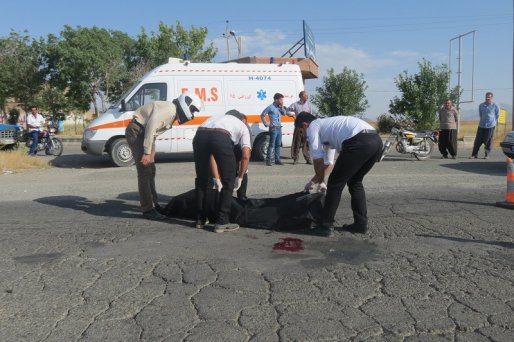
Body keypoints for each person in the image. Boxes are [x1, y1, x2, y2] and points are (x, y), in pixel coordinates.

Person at [295, 113, 383, 237]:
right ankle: (361, 224)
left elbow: (318, 160)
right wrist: (314, 182)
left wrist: (322, 182)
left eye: (301, 131)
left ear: (305, 125)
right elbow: (328, 163)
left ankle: (325, 226)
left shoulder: (313, 126)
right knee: (355, 182)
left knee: (335, 184)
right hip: (376, 141)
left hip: (358, 141)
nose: (303, 135)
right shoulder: (328, 129)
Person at [125, 93, 203, 221]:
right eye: (193, 110)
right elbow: (151, 127)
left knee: (151, 170)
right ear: (186, 104)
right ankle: (148, 209)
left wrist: (151, 150)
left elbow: (152, 131)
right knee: (144, 171)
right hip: (137, 131)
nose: (192, 115)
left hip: (142, 133)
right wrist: (146, 152)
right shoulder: (170, 110)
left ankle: (154, 205)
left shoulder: (171, 111)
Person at [193, 110, 251, 233]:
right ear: (241, 119)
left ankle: (200, 219)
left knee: (201, 179)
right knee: (228, 180)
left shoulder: (215, 117)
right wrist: (239, 177)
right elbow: (246, 156)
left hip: (199, 135)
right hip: (220, 137)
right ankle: (222, 221)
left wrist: (215, 178)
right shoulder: (242, 126)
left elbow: (212, 156)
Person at [260, 93, 294, 166]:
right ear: (276, 100)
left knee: (278, 145)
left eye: (282, 99)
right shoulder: (270, 107)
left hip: (279, 128)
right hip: (273, 128)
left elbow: (284, 114)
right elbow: (262, 115)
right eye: (281, 99)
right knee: (272, 144)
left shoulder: (279, 107)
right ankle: (268, 160)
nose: (282, 101)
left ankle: (277, 160)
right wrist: (267, 124)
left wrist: (281, 107)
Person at [470, 92, 500, 159]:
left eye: (489, 97)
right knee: (478, 140)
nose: (487, 98)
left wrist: (493, 121)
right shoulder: (481, 105)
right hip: (481, 125)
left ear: (491, 98)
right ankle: (474, 154)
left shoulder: (495, 105)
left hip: (490, 126)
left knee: (488, 141)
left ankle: (486, 155)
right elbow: (480, 115)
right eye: (486, 97)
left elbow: (497, 115)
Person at [287, 91, 313, 164]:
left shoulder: (309, 105)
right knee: (296, 142)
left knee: (306, 143)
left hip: (306, 127)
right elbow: (287, 111)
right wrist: (292, 114)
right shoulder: (295, 104)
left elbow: (311, 115)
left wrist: (308, 123)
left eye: (307, 95)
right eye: (305, 95)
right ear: (301, 96)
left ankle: (308, 159)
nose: (307, 96)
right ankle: (295, 159)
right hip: (298, 126)